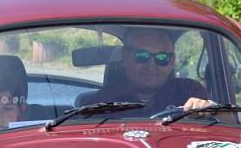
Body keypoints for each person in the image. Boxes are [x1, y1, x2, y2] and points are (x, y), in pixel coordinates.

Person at [76, 27, 213, 117]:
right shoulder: (101, 103)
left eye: (161, 58)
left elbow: (228, 125)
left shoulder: (189, 91)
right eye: (142, 56)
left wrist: (209, 109)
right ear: (124, 57)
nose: (151, 66)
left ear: (172, 62)